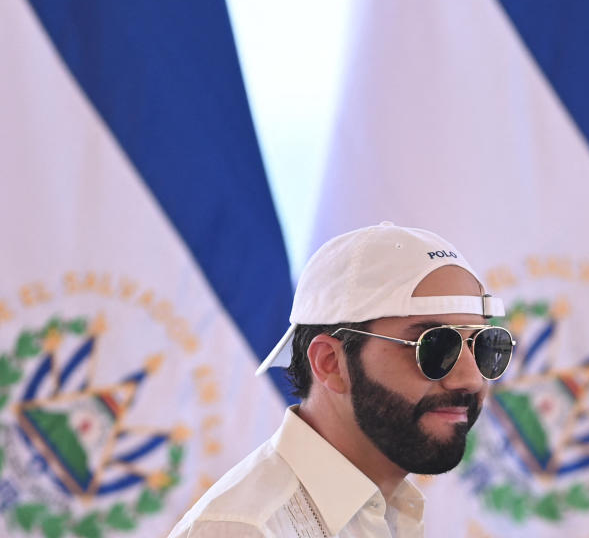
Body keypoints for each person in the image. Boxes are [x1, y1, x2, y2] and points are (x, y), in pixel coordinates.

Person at [169, 222, 514, 538]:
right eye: (436, 345)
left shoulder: (393, 511)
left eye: (484, 346)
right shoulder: (246, 531)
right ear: (330, 363)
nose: (471, 379)